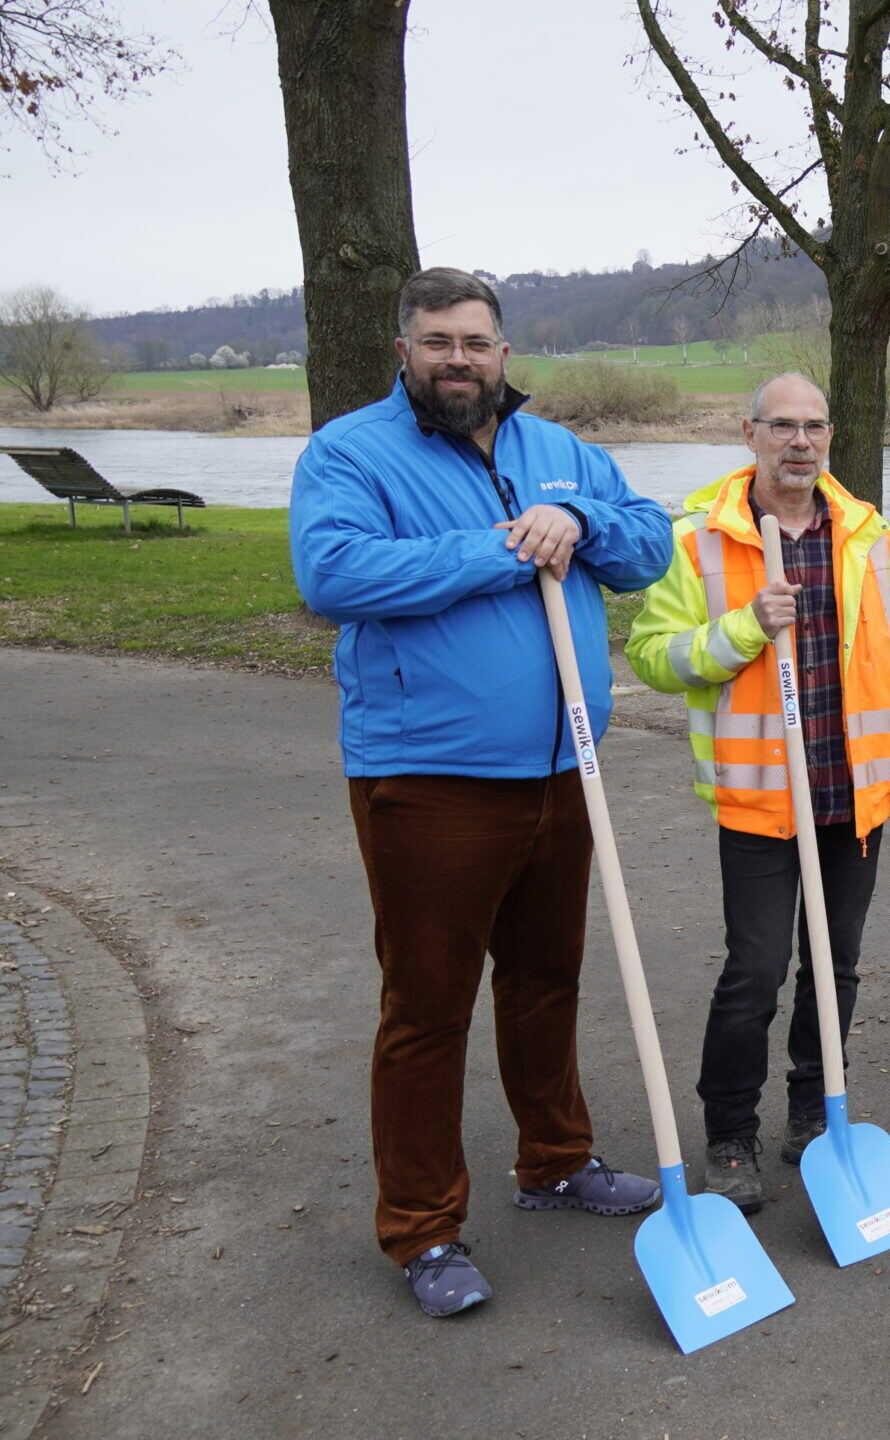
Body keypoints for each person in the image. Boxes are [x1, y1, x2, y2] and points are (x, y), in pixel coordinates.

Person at [289, 267, 672, 1319]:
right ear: (404, 350)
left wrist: (579, 519)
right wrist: (509, 547)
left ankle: (554, 1162)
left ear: (505, 351)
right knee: (427, 1006)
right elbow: (336, 577)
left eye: (475, 341)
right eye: (436, 341)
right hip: (428, 779)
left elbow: (649, 542)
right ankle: (422, 1227)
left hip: (564, 766)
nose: (457, 358)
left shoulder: (560, 453)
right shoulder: (350, 452)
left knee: (547, 979)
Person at [627, 373, 890, 1212]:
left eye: (813, 428)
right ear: (750, 432)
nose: (799, 442)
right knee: (756, 971)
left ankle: (815, 1109)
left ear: (829, 436)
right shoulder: (699, 538)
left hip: (856, 796)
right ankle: (731, 1134)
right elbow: (653, 657)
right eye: (782, 427)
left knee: (835, 968)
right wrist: (742, 630)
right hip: (761, 800)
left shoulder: (870, 535)